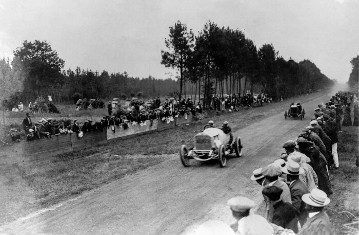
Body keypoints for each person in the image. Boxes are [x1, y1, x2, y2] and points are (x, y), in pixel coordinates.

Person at [282, 161, 309, 226]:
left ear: (289, 176)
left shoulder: (296, 189)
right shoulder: (299, 183)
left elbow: (295, 208)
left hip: (301, 217)